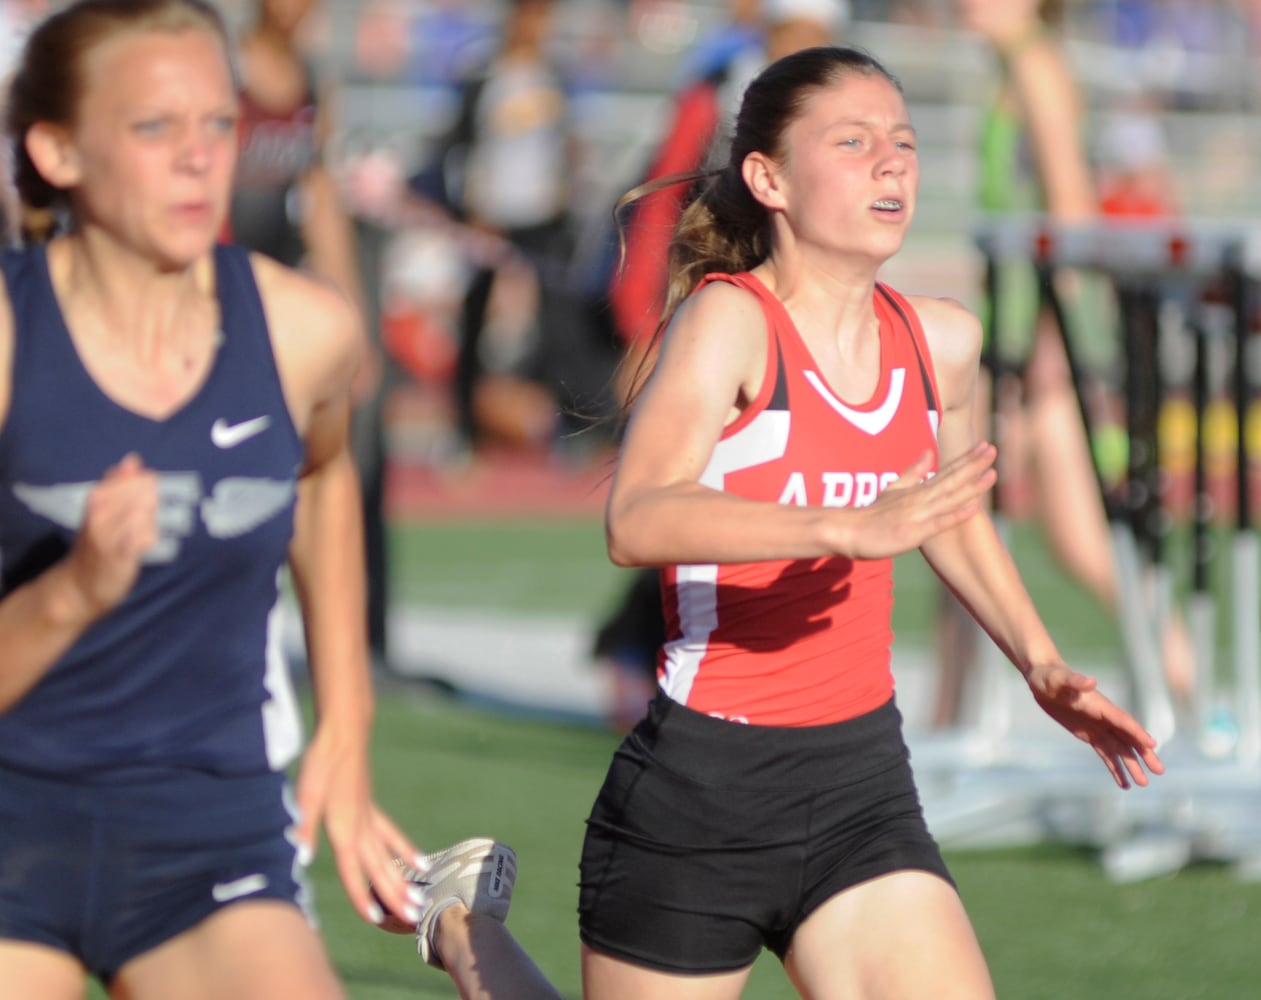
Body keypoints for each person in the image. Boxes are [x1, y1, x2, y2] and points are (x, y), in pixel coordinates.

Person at [577, 44, 1164, 998]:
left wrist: (1038, 660)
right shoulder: (728, 323)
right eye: (851, 143)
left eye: (902, 141)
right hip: (700, 790)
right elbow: (637, 519)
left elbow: (948, 517)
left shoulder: (942, 340)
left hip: (858, 783)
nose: (891, 162)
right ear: (767, 177)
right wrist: (838, 528)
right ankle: (471, 936)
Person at [0, 3, 519, 997]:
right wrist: (75, 591)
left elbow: (321, 474)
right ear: (58, 149)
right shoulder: (12, 340)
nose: (198, 159)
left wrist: (346, 717)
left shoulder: (303, 333)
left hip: (209, 836)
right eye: (154, 128)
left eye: (218, 123)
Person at [931, 0, 1193, 729]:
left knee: (953, 527)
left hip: (1027, 342)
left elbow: (1071, 217)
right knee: (1072, 541)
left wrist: (1051, 347)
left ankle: (942, 728)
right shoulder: (1015, 66)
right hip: (1012, 334)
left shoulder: (1038, 66)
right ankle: (1186, 680)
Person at [589, 0, 848, 731]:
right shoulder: (718, 89)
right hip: (708, 320)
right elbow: (659, 201)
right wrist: (642, 327)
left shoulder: (835, 94)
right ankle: (639, 652)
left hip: (791, 324)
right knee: (684, 494)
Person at [229, 0, 392, 672]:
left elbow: (320, 196)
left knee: (352, 449)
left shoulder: (309, 78)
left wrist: (354, 319)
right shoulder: (222, 68)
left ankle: (362, 640)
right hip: (222, 284)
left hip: (281, 288)